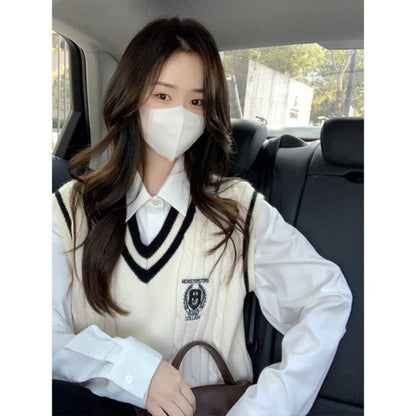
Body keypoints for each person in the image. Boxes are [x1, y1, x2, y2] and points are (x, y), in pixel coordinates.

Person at [52, 17, 352, 416]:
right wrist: (130, 370)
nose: (180, 114)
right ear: (130, 97)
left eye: (196, 102)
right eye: (163, 95)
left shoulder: (237, 209)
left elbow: (326, 296)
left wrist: (262, 407)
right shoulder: (69, 210)